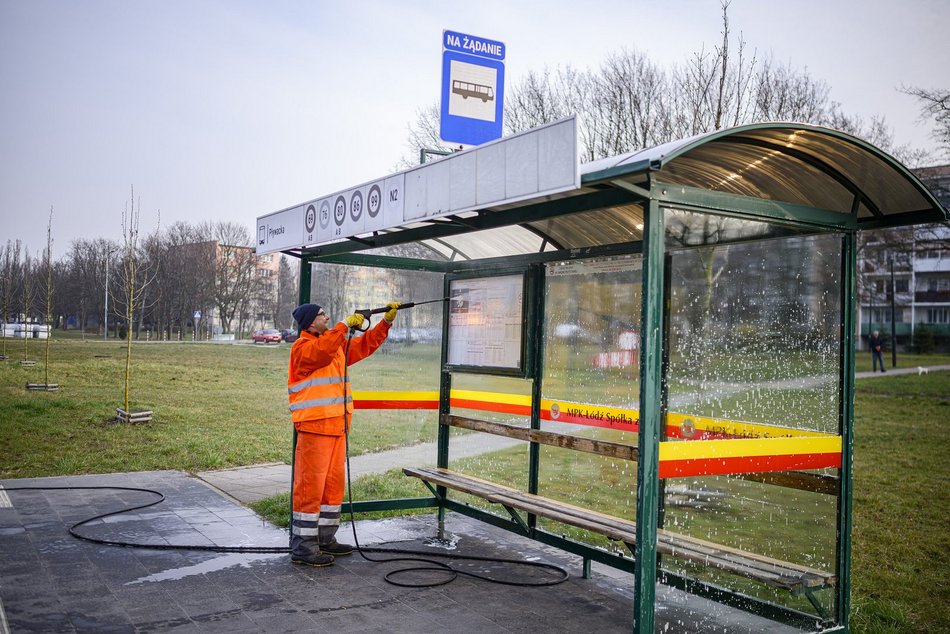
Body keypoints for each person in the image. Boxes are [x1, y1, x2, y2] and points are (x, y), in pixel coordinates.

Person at [287, 300, 399, 566]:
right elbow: (322, 352)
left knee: (332, 489)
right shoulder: (303, 348)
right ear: (310, 321)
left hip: (337, 427)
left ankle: (325, 539)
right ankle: (303, 547)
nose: (327, 317)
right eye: (322, 315)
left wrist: (385, 323)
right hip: (315, 428)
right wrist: (343, 326)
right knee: (310, 489)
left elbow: (364, 346)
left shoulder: (334, 345)